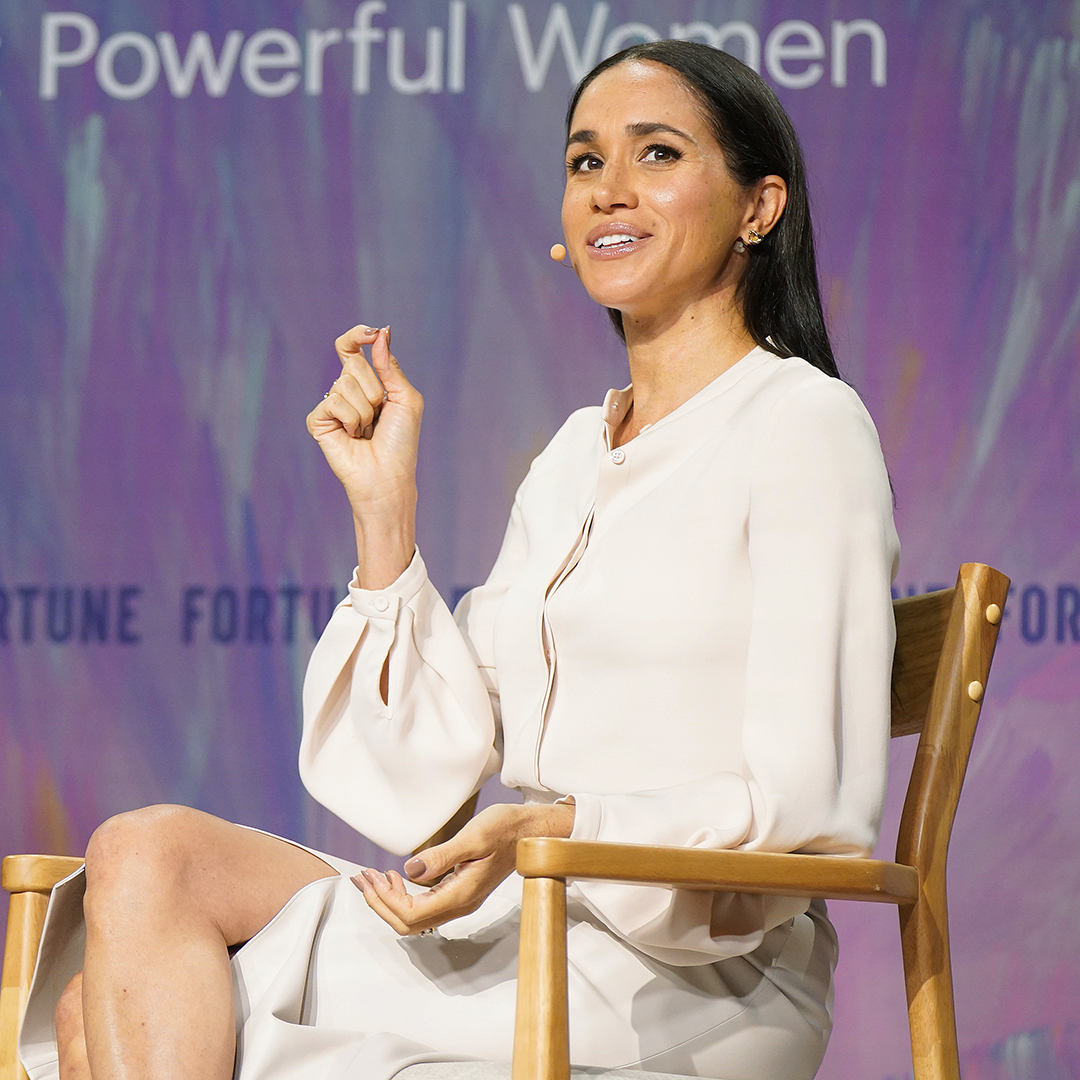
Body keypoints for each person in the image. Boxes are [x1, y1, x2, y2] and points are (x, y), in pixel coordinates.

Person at [21, 40, 899, 1080]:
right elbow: (425, 780)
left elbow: (813, 814)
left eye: (657, 154)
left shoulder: (803, 426)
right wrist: (385, 519)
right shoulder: (577, 453)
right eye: (583, 163)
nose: (610, 190)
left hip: (694, 976)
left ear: (759, 208)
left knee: (104, 1024)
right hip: (516, 928)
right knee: (140, 857)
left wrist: (559, 828)